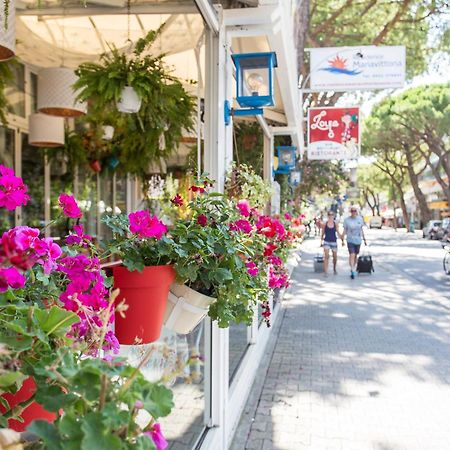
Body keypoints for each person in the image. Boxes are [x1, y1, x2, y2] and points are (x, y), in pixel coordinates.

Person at [343, 206, 367, 279]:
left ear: (356, 212)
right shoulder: (347, 220)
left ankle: (354, 266)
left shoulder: (360, 219)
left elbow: (361, 230)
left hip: (358, 240)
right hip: (350, 240)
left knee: (356, 255)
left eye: (354, 211)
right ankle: (352, 269)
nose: (353, 212)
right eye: (352, 211)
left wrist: (364, 239)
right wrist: (342, 239)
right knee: (352, 254)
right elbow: (345, 230)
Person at [320, 211, 344, 276]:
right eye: (329, 215)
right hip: (326, 241)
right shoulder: (325, 224)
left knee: (335, 256)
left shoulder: (335, 224)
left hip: (333, 241)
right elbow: (322, 233)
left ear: (333, 216)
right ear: (328, 216)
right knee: (326, 256)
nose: (330, 216)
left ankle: (334, 268)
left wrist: (342, 240)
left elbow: (338, 232)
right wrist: (321, 241)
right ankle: (326, 271)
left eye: (332, 215)